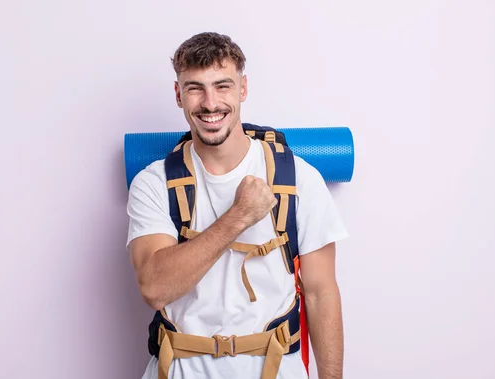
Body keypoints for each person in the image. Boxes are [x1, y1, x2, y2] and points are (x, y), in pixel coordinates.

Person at [126, 32, 349, 379]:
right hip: (181, 369)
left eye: (222, 86)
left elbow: (322, 294)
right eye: (195, 87)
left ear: (243, 89)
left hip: (275, 368)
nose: (210, 103)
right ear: (178, 95)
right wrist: (239, 215)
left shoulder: (298, 178)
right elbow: (155, 289)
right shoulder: (153, 183)